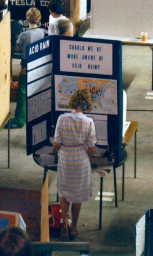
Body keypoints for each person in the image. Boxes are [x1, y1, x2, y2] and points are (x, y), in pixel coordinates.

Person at [53, 88, 96, 241]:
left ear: (73, 101)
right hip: (81, 159)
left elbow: (57, 142)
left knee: (64, 194)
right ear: (87, 105)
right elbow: (91, 147)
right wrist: (88, 160)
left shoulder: (62, 119)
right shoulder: (89, 122)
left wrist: (53, 152)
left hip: (65, 158)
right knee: (77, 197)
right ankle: (74, 228)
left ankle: (64, 223)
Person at [11, 7, 47, 129]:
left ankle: (19, 120)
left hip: (26, 63)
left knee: (22, 92)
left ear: (27, 20)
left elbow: (16, 48)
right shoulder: (42, 32)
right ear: (39, 19)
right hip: (38, 62)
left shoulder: (24, 34)